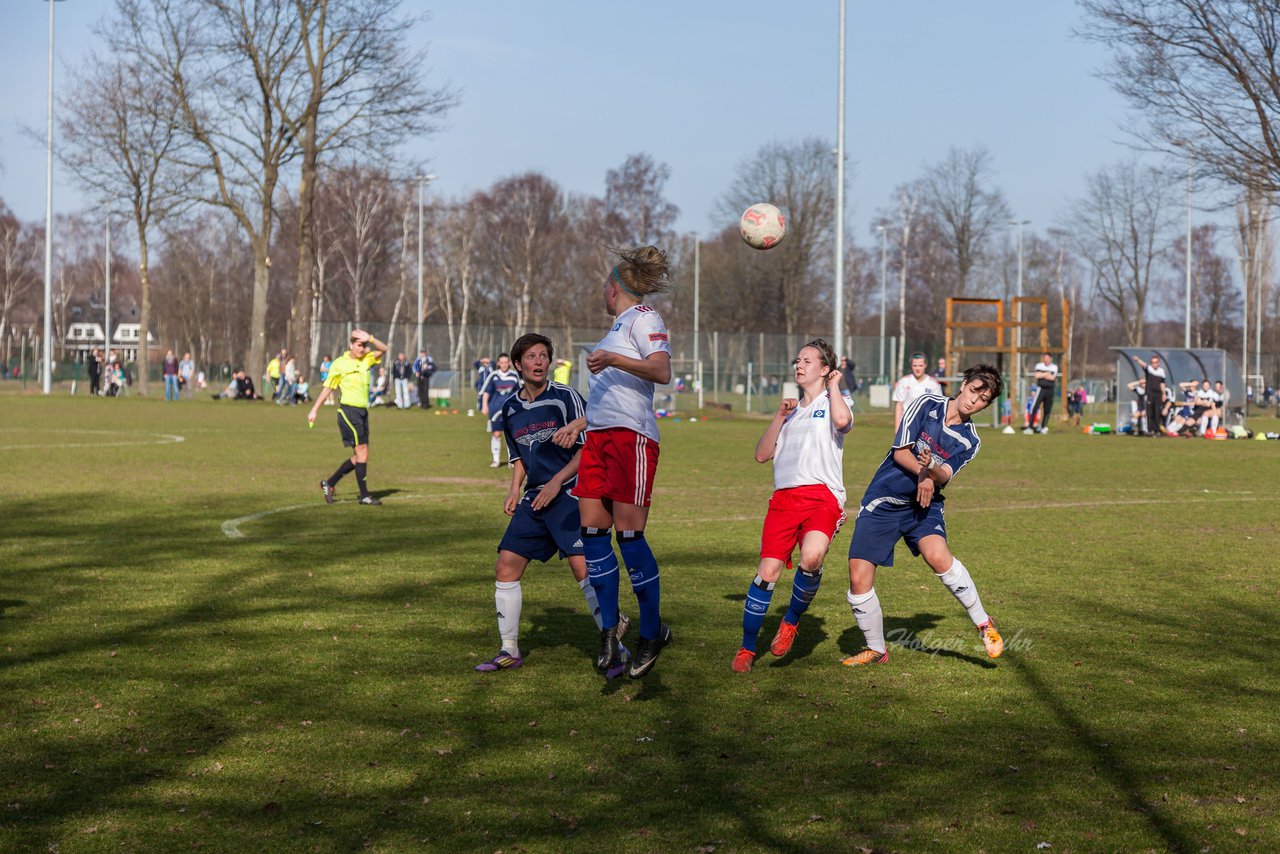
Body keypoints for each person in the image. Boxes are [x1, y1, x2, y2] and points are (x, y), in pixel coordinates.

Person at [475, 332, 631, 674]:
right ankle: (509, 650)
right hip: (535, 498)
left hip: (572, 492)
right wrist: (514, 489)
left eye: (544, 356)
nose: (539, 362)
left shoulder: (566, 398)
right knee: (506, 566)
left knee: (582, 567)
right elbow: (518, 457)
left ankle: (618, 650)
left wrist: (557, 482)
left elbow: (588, 448)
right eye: (531, 357)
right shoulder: (511, 407)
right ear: (518, 364)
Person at [842, 364, 1006, 667]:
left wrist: (931, 473)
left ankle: (984, 625)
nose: (974, 401)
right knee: (858, 577)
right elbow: (900, 452)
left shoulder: (970, 441)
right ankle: (877, 649)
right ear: (964, 383)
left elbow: (945, 474)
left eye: (983, 400)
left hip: (923, 506)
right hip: (884, 500)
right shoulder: (926, 403)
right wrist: (925, 472)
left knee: (939, 556)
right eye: (973, 391)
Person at [573, 245, 674, 679]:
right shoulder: (616, 326)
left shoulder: (645, 317)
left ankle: (651, 633)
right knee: (593, 534)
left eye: (602, 285)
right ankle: (610, 631)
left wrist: (613, 358)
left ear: (613, 286)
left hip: (630, 438)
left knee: (629, 538)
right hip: (597, 438)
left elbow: (661, 370)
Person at [732, 339, 853, 673]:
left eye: (808, 361)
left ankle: (790, 621)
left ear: (825, 369)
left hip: (822, 497)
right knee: (767, 572)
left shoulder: (835, 402)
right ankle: (746, 648)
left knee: (812, 557)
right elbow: (761, 454)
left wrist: (835, 387)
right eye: (797, 360)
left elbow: (842, 422)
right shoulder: (789, 411)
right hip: (784, 501)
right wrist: (779, 416)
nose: (799, 365)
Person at [309, 329, 388, 506]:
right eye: (359, 345)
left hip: (362, 412)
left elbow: (384, 349)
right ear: (351, 345)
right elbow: (328, 387)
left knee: (358, 456)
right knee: (363, 452)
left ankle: (329, 483)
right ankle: (364, 496)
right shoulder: (339, 364)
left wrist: (372, 338)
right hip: (348, 412)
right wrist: (314, 410)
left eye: (364, 345)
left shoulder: (367, 359)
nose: (362, 348)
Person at [480, 354, 521, 468]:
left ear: (509, 363)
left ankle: (511, 460)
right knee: (496, 434)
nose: (504, 365)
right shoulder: (493, 376)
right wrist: (484, 405)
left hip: (511, 410)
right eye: (501, 362)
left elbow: (521, 392)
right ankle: (496, 460)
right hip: (495, 410)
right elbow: (486, 392)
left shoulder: (514, 375)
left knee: (511, 435)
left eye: (506, 362)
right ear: (498, 363)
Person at [892, 352, 942, 433]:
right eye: (915, 365)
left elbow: (938, 408)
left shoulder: (933, 384)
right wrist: (897, 428)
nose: (917, 368)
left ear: (925, 365)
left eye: (920, 365)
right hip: (907, 426)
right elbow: (899, 405)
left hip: (926, 427)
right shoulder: (904, 382)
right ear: (911, 366)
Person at [1132, 354, 1166, 437]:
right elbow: (1144, 365)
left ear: (1158, 363)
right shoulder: (1149, 369)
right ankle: (1150, 430)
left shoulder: (1161, 371)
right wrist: (1138, 360)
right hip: (1150, 394)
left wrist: (1163, 394)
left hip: (1158, 394)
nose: (1154, 364)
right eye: (1153, 362)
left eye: (1156, 362)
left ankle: (1157, 430)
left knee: (1157, 412)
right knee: (1149, 412)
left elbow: (1162, 383)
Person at [1025, 351, 1059, 433]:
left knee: (1047, 409)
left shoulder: (1054, 367)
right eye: (1045, 358)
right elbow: (1037, 375)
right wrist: (1047, 373)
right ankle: (1030, 427)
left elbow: (1052, 378)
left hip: (1050, 390)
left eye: (1048, 358)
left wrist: (1042, 374)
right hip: (1041, 389)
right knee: (1034, 407)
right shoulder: (1039, 365)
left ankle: (1043, 427)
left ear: (1051, 359)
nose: (1046, 360)